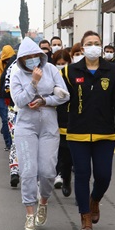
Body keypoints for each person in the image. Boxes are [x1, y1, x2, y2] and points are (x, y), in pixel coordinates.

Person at [61, 30, 115, 230]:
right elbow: (62, 101)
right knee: (82, 175)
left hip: (104, 133)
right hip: (77, 133)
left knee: (103, 175)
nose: (93, 46)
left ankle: (95, 200)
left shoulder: (113, 70)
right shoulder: (70, 71)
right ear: (82, 49)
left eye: (96, 43)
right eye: (89, 43)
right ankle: (85, 217)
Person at [10, 37, 69, 230]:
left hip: (49, 126)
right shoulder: (17, 74)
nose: (32, 61)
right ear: (21, 59)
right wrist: (33, 84)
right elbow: (19, 100)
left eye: (35, 57)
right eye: (27, 58)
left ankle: (43, 201)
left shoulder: (51, 69)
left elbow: (65, 95)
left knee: (47, 171)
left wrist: (45, 100)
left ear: (40, 56)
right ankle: (29, 215)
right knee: (28, 171)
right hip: (26, 126)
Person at [52, 50, 73, 196]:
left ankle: (81, 192)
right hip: (59, 122)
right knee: (64, 158)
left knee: (79, 160)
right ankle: (65, 178)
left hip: (77, 122)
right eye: (58, 64)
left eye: (63, 64)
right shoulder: (50, 78)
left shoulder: (75, 76)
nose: (61, 66)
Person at [0, 45, 16, 151]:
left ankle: (13, 143)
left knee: (13, 120)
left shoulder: (17, 64)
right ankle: (8, 143)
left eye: (9, 60)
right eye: (6, 60)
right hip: (2, 96)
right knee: (5, 119)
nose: (8, 62)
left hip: (14, 95)